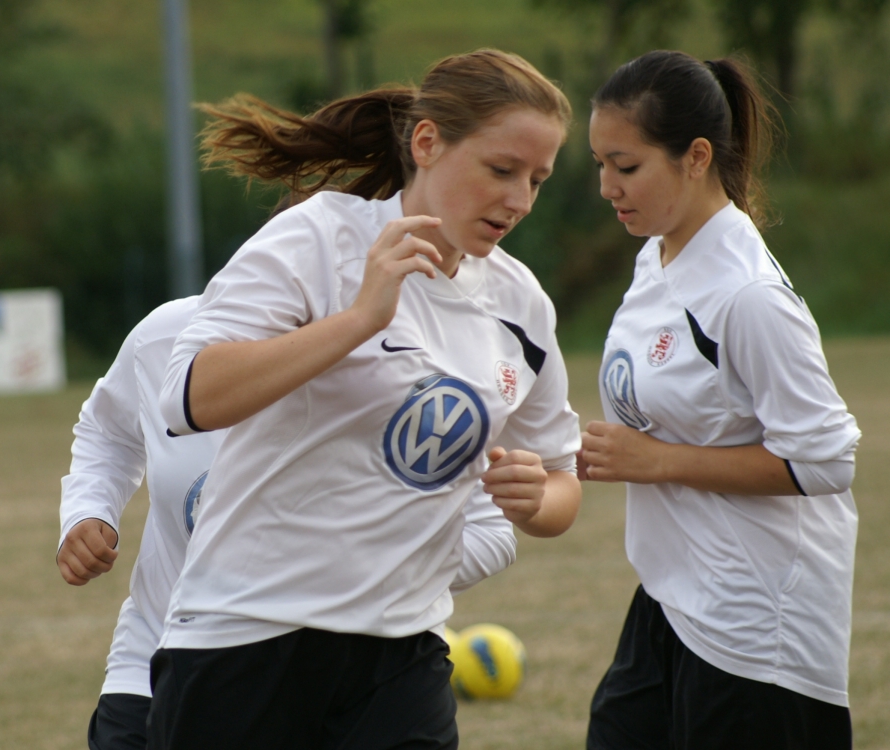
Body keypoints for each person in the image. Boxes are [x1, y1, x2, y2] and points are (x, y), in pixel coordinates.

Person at [151, 49, 583, 749]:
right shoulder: (319, 237)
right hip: (248, 634)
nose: (521, 201)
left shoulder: (521, 305)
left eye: (537, 179)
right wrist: (358, 319)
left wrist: (538, 500)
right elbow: (188, 396)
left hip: (403, 651)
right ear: (427, 143)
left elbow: (562, 481)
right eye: (501, 170)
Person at [57, 294, 522, 750]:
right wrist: (89, 510)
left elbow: (491, 530)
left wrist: (373, 570)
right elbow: (108, 432)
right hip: (162, 654)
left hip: (347, 676)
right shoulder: (167, 336)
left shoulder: (414, 361)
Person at [582, 50, 860, 750]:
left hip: (754, 629)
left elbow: (825, 462)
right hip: (671, 598)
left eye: (627, 165)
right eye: (600, 165)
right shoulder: (657, 254)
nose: (608, 187)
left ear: (696, 157)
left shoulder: (747, 296)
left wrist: (657, 461)